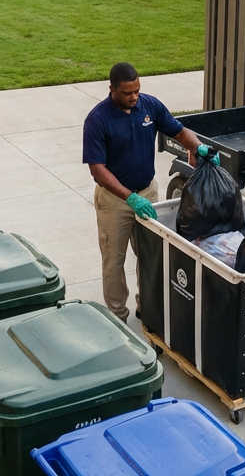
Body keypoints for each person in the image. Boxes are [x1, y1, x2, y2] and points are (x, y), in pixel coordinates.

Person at [83, 62, 204, 322]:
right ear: (112, 89)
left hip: (148, 193)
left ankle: (146, 305)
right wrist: (130, 198)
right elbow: (97, 169)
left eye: (137, 90)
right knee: (114, 261)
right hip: (115, 201)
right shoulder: (97, 120)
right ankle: (118, 316)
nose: (134, 97)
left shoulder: (149, 106)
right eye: (127, 93)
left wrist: (198, 147)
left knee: (149, 255)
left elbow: (179, 131)